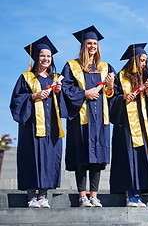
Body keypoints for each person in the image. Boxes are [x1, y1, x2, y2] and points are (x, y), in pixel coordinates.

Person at [61, 25, 115, 207]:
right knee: (82, 156)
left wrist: (110, 86)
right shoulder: (72, 66)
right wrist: (85, 93)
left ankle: (94, 195)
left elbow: (112, 95)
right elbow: (66, 89)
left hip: (100, 119)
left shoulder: (105, 67)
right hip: (80, 119)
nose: (92, 46)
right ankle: (82, 195)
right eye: (89, 43)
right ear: (83, 46)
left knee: (97, 158)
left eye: (95, 43)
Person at [10, 36, 65, 208]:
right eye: (42, 56)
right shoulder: (26, 78)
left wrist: (59, 92)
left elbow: (65, 104)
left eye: (48, 56)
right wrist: (34, 96)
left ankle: (43, 195)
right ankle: (31, 196)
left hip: (51, 128)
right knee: (32, 158)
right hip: (32, 128)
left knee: (49, 159)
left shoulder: (55, 79)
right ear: (36, 57)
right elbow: (16, 100)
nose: (46, 59)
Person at [109, 43, 148, 207]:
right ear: (133, 60)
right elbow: (111, 99)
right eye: (141, 60)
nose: (143, 64)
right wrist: (123, 98)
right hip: (126, 127)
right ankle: (130, 193)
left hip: (144, 127)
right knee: (128, 158)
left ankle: (140, 192)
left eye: (145, 60)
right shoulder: (120, 77)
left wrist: (147, 93)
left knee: (142, 156)